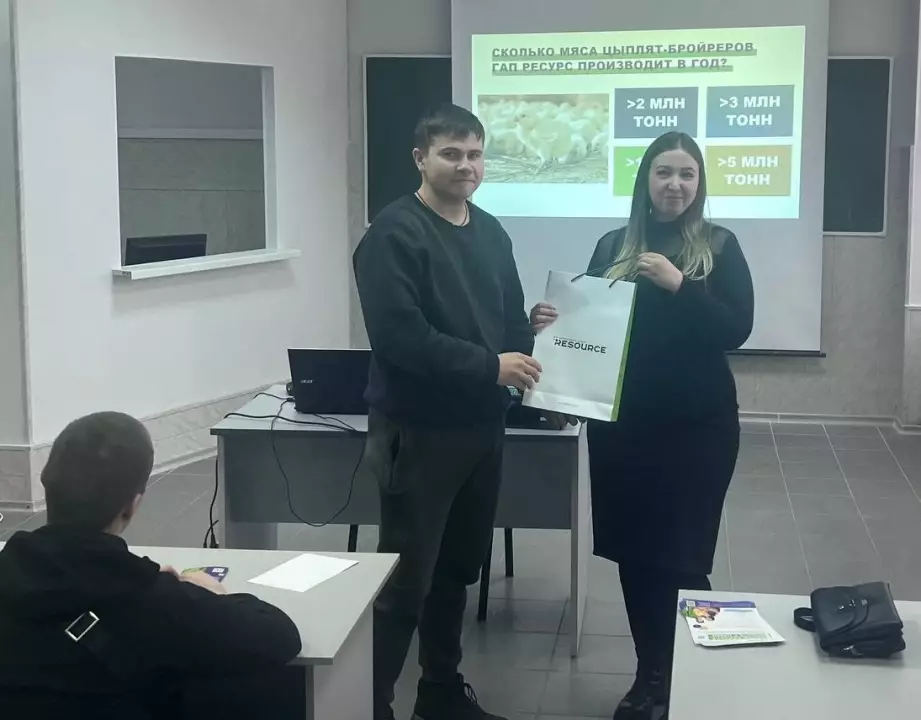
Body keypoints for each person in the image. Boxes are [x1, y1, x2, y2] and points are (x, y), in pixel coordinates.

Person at [531, 131, 754, 720]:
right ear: (645, 180)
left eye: (686, 174)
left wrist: (681, 286)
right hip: (624, 428)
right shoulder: (613, 245)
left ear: (699, 182)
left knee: (683, 557)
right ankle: (650, 674)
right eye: (664, 172)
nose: (675, 184)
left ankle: (698, 678)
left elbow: (736, 329)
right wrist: (549, 322)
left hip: (698, 429)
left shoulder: (720, 246)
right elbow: (584, 329)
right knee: (635, 556)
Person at [353, 102, 541, 720]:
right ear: (421, 158)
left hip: (481, 428)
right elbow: (400, 339)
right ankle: (368, 705)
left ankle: (439, 693)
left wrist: (530, 341)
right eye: (451, 154)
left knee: (457, 570)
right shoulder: (392, 234)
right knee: (406, 579)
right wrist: (491, 366)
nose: (466, 166)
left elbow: (508, 320)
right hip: (419, 432)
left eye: (475, 154)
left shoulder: (491, 231)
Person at [0, 412, 303, 719]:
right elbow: (281, 637)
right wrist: (213, 594)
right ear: (132, 505)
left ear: (47, 484)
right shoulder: (152, 600)